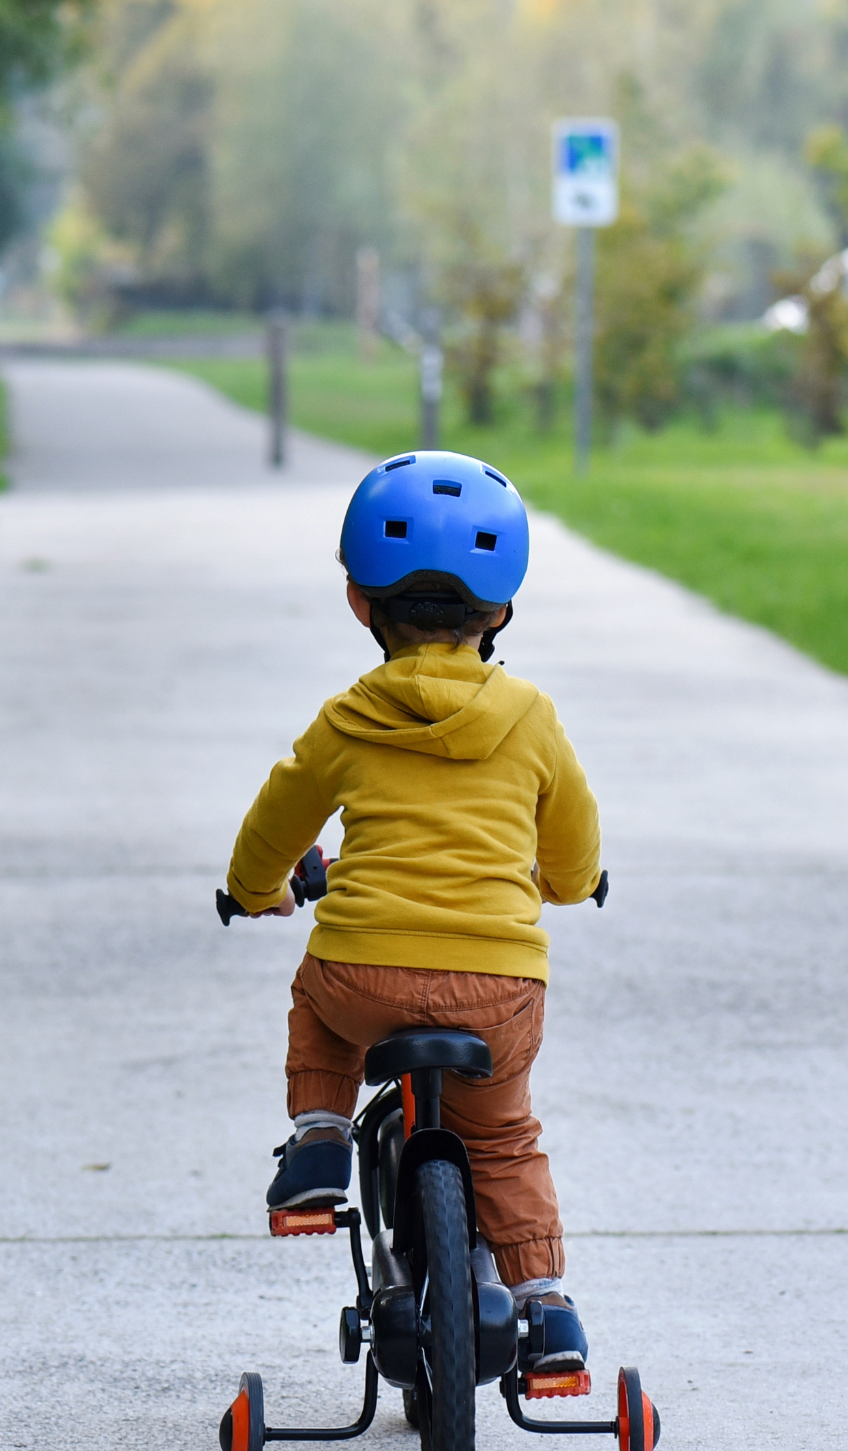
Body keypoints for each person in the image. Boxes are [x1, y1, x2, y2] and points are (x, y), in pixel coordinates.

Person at [222, 450, 603, 1376]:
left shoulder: (348, 716)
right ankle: (548, 1312)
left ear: (359, 601)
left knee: (318, 1009)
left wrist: (254, 886)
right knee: (505, 1137)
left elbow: (277, 818)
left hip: (365, 977)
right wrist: (570, 881)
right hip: (496, 989)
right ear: (502, 610)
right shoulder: (531, 716)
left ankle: (319, 1135)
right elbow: (573, 837)